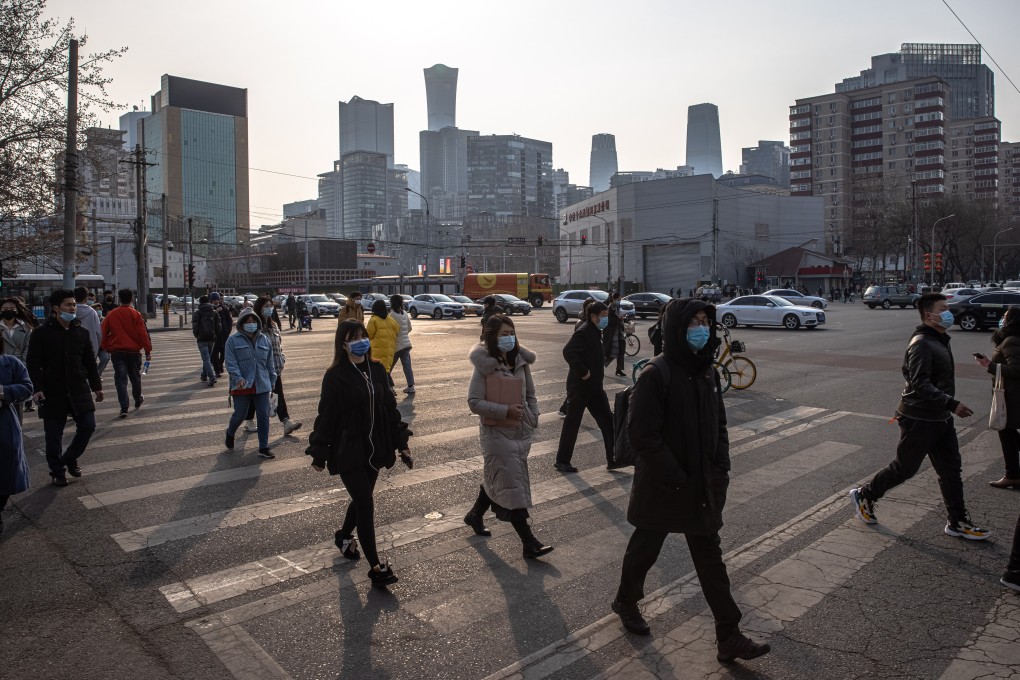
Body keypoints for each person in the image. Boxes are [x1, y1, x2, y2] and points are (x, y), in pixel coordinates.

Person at [610, 298, 770, 662]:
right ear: (676, 329)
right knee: (645, 550)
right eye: (693, 322)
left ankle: (728, 634)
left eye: (704, 321)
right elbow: (643, 436)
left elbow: (720, 423)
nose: (701, 328)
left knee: (710, 559)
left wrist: (721, 465)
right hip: (664, 484)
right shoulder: (656, 373)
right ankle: (625, 600)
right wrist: (676, 475)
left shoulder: (708, 371)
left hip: (701, 485)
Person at [850, 293, 989, 540]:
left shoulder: (939, 339)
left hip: (940, 418)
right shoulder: (922, 343)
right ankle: (866, 494)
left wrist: (947, 407)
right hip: (919, 419)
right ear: (929, 315)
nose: (949, 313)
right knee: (905, 468)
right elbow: (919, 383)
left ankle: (957, 521)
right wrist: (952, 403)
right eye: (943, 308)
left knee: (951, 471)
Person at [306, 320, 412, 587]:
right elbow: (327, 415)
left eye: (362, 336)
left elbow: (390, 410)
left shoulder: (378, 369)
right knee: (365, 504)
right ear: (343, 344)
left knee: (361, 499)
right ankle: (376, 567)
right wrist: (319, 452)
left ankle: (343, 534)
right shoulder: (336, 375)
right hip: (348, 449)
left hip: (376, 448)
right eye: (353, 338)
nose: (360, 341)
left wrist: (402, 445)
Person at [464, 314, 553, 559]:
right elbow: (474, 402)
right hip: (496, 434)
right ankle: (529, 542)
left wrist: (532, 416)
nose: (509, 338)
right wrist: (505, 411)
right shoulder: (485, 365)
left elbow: (531, 394)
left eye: (511, 332)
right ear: (493, 337)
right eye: (503, 334)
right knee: (512, 484)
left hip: (520, 432)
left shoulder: (521, 361)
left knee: (499, 478)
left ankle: (474, 515)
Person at [25, 289, 104, 487]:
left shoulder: (81, 332)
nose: (72, 308)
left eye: (74, 305)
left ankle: (70, 457)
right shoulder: (42, 333)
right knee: (53, 436)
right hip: (52, 390)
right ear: (56, 308)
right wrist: (37, 388)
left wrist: (97, 387)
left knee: (88, 425)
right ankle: (57, 471)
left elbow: (90, 362)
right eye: (68, 305)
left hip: (78, 387)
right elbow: (33, 363)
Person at [554, 302, 615, 473]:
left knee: (608, 422)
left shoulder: (595, 331)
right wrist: (584, 372)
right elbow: (568, 351)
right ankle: (562, 461)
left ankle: (614, 458)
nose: (605, 318)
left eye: (606, 315)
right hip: (581, 387)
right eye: (603, 315)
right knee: (572, 423)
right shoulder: (585, 331)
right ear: (594, 316)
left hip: (595, 388)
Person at [241, 297, 301, 436]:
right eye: (266, 306)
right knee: (258, 395)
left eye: (271, 305)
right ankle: (253, 420)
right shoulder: (256, 326)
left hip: (276, 367)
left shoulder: (273, 324)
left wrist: (282, 358)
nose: (270, 308)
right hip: (262, 368)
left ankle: (284, 421)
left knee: (276, 393)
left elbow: (278, 344)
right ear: (259, 308)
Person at [224, 308, 277, 459]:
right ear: (241, 323)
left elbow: (270, 363)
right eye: (247, 322)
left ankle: (263, 447)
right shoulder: (232, 341)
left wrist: (272, 381)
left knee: (263, 415)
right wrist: (238, 378)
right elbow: (230, 363)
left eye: (253, 321)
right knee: (240, 414)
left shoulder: (264, 339)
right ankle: (230, 432)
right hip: (242, 384)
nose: (251, 324)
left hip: (262, 383)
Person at [978, 308, 1020, 489]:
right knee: (1008, 433)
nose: (1001, 319)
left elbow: (1017, 370)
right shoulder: (1012, 339)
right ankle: (1013, 474)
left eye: (1004, 317)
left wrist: (989, 365)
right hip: (1011, 394)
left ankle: (1012, 475)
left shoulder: (1011, 340)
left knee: (1006, 432)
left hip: (1012, 396)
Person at [100, 289, 151, 417]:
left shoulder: (111, 314)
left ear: (119, 299)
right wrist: (147, 350)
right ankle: (138, 399)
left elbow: (103, 332)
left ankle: (124, 407)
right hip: (134, 352)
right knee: (135, 378)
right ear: (132, 299)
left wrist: (107, 347)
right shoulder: (136, 314)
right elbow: (143, 334)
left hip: (117, 352)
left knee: (120, 380)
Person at [0, 340, 32, 533]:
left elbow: (27, 388)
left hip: (4, 424)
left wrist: (4, 391)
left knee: (4, 471)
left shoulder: (11, 363)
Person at [1, 297, 36, 413]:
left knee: (17, 403)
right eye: (5, 308)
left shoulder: (26, 328)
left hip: (19, 367)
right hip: (2, 367)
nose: (9, 310)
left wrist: (22, 364)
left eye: (12, 308)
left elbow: (29, 348)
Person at [73, 286, 106, 375]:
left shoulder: (70, 311)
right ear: (86, 298)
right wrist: (95, 348)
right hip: (90, 349)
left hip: (72, 350)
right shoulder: (92, 312)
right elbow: (99, 333)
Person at [389, 294, 415, 394]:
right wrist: (403, 335)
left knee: (388, 367)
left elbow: (390, 330)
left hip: (396, 346)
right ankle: (411, 386)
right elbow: (410, 328)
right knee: (407, 366)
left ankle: (390, 387)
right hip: (407, 344)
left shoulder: (391, 315)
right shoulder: (404, 313)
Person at [192, 295, 219, 387]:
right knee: (207, 357)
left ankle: (211, 377)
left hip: (201, 338)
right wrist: (216, 334)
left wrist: (197, 335)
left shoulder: (197, 313)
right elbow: (218, 326)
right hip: (212, 338)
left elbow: (195, 327)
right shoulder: (214, 312)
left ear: (200, 302)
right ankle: (204, 375)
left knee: (206, 358)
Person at [366, 299, 399, 376]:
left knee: (377, 374)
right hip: (389, 350)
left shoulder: (373, 320)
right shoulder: (390, 319)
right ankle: (388, 387)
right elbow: (397, 329)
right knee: (386, 372)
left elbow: (368, 335)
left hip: (376, 351)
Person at [604, 291, 627, 377]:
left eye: (620, 299)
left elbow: (617, 319)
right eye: (618, 299)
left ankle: (619, 369)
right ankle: (601, 364)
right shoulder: (610, 308)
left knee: (621, 350)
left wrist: (621, 320)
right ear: (613, 299)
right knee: (613, 352)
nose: (619, 301)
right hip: (612, 333)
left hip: (619, 332)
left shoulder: (617, 306)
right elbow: (609, 322)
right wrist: (618, 318)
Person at [210, 293, 232, 378]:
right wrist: (215, 311)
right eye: (214, 299)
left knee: (224, 353)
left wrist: (227, 331)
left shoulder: (225, 308)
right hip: (214, 336)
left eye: (217, 299)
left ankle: (220, 364)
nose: (216, 301)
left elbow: (229, 321)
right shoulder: (210, 309)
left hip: (224, 335)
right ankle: (217, 370)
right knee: (214, 354)